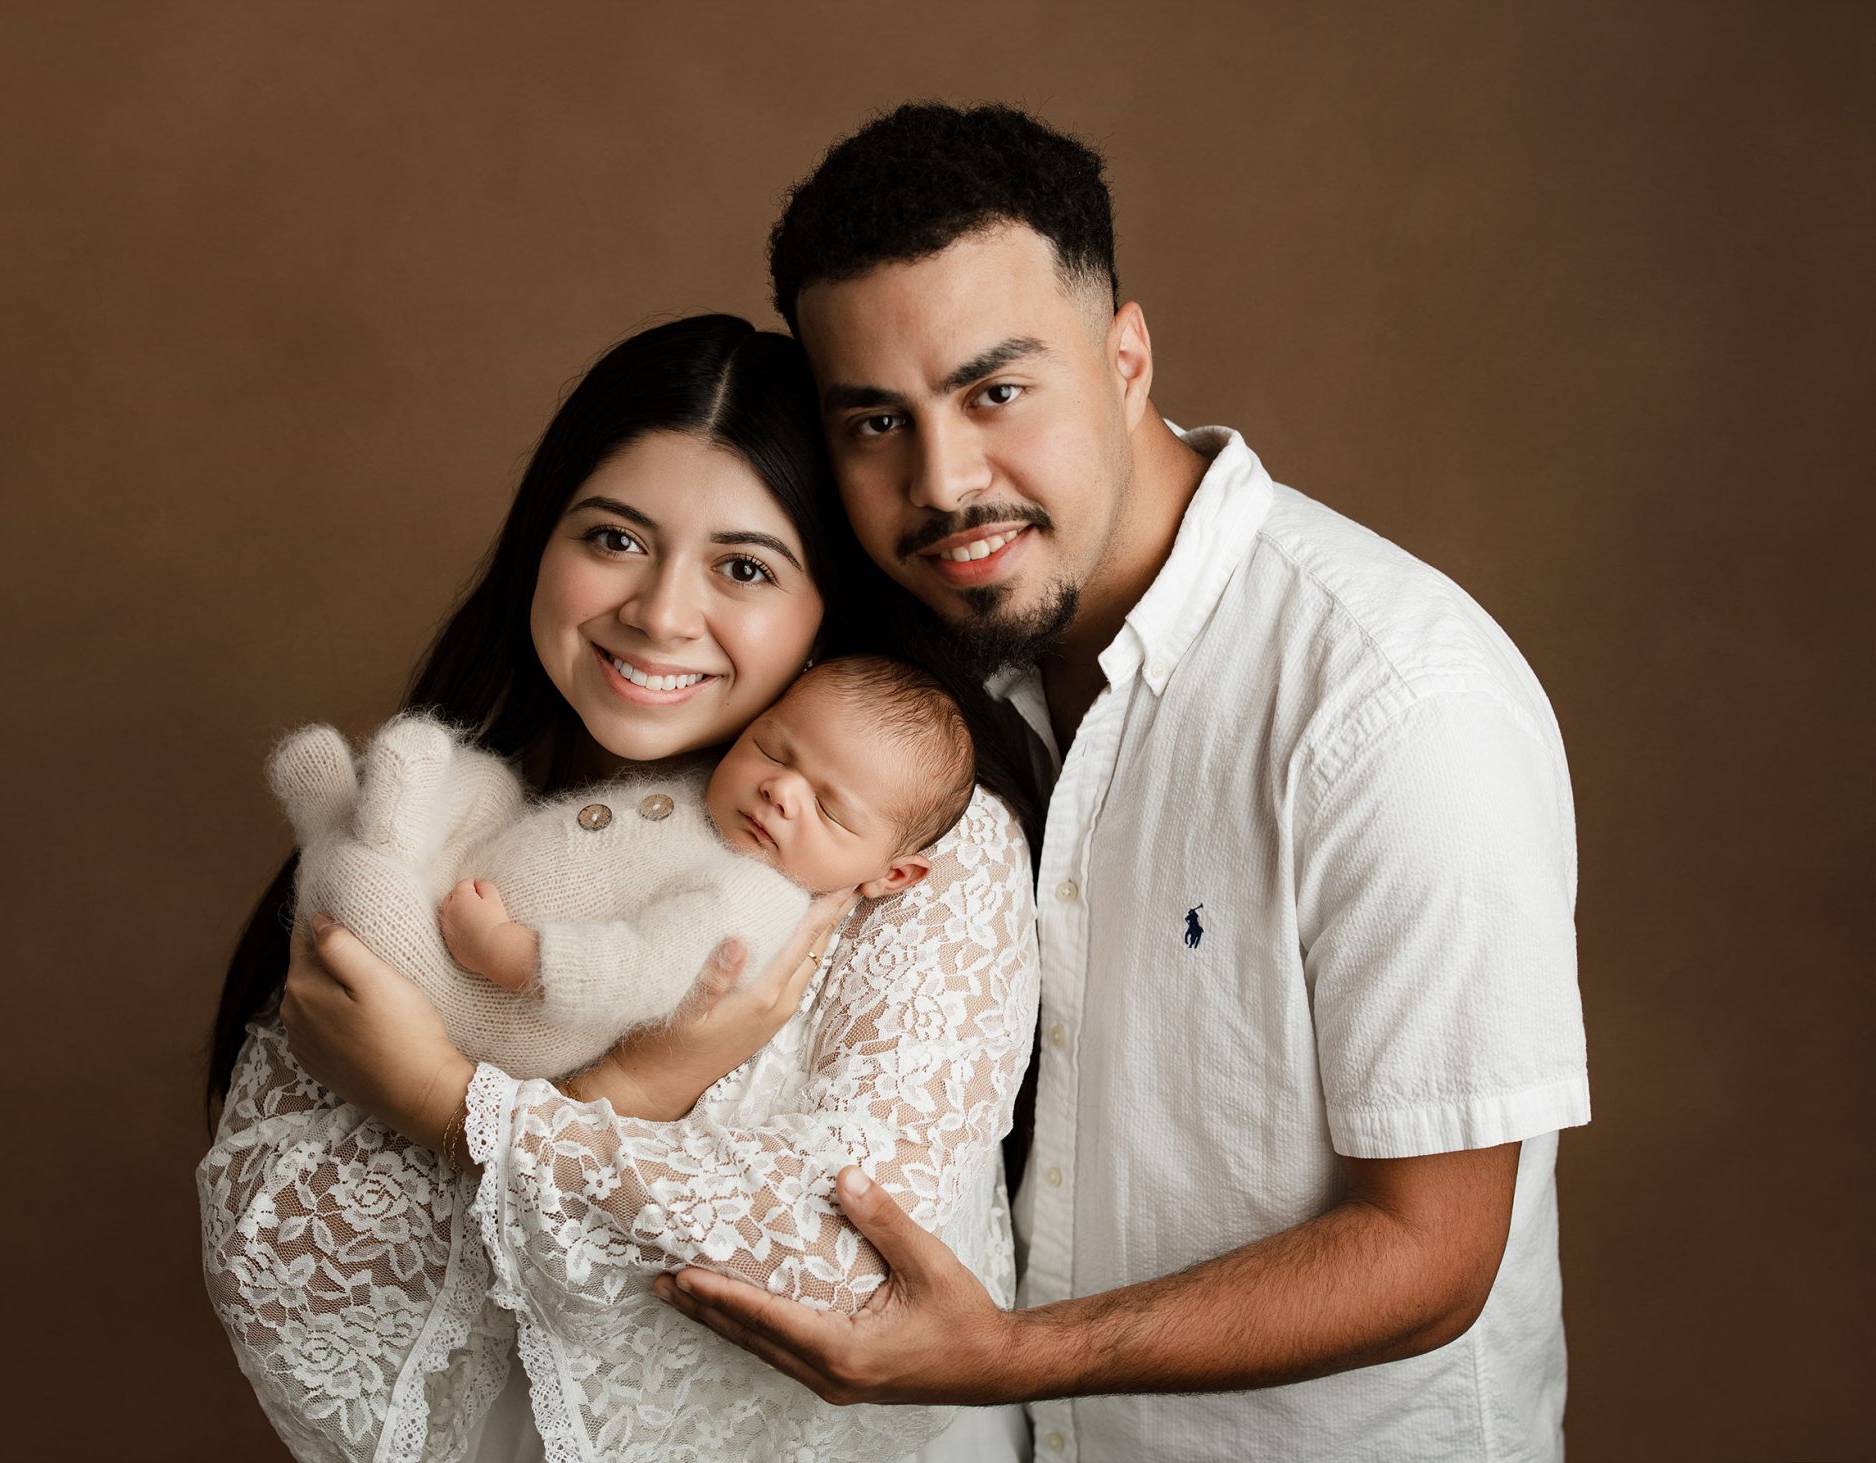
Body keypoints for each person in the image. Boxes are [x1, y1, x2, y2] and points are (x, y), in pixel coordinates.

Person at [649, 104, 1592, 1461]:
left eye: (996, 390)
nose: (944, 480)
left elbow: (1434, 1250)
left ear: (1127, 356)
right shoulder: (922, 685)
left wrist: (998, 1357)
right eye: (876, 420)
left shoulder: (1392, 698)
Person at [199, 314, 1040, 1463]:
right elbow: (280, 1237)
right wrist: (630, 1094)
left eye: (743, 567)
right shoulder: (449, 804)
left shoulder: (914, 853)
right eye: (614, 538)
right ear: (540, 541)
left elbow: (858, 1266)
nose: (656, 612)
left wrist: (451, 1105)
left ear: (825, 608)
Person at [262, 654, 973, 1081]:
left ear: (892, 874)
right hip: (484, 882)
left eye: (828, 806)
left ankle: (336, 824)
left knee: (362, 899)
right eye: (774, 749)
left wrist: (503, 951)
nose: (780, 791)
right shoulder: (714, 792)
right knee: (484, 783)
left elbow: (642, 970)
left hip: (489, 999)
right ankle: (388, 826)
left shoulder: (751, 898)